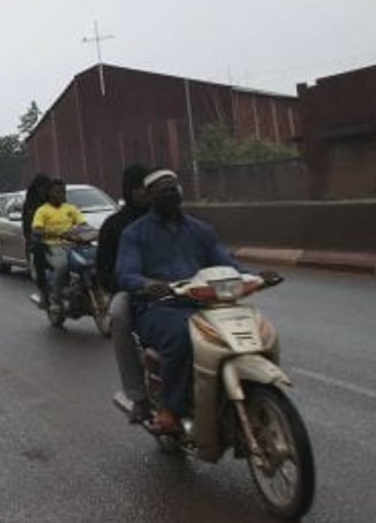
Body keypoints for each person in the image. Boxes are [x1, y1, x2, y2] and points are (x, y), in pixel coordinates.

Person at [116, 169, 280, 434]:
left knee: (251, 328)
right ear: (148, 196)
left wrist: (254, 276)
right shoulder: (134, 234)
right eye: (161, 188)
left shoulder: (200, 230)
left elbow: (225, 262)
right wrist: (148, 284)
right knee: (182, 337)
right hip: (159, 306)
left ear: (180, 191)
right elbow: (126, 274)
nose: (169, 191)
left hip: (205, 302)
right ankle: (170, 410)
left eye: (172, 186)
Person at [95, 163, 151, 422]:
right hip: (131, 291)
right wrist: (129, 286)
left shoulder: (172, 219)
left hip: (178, 289)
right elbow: (104, 270)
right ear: (130, 190)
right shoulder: (115, 225)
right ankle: (137, 395)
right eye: (141, 188)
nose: (146, 193)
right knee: (118, 316)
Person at [30, 178, 86, 315]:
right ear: (49, 193)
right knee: (62, 266)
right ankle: (55, 299)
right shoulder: (42, 210)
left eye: (63, 191)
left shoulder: (70, 208)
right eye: (57, 191)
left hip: (73, 245)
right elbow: (36, 229)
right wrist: (52, 232)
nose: (61, 194)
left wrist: (86, 231)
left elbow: (83, 224)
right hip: (53, 247)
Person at [20, 173, 53, 306]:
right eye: (41, 188)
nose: (43, 190)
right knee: (39, 259)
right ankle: (44, 293)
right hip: (39, 240)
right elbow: (27, 225)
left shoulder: (56, 201)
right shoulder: (30, 204)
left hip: (60, 238)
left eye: (46, 187)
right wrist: (32, 239)